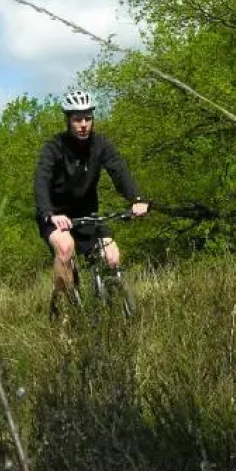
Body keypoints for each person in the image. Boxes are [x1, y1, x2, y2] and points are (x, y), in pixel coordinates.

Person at [34, 90, 149, 314]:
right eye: (77, 119)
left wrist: (136, 198)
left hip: (87, 214)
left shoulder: (101, 144)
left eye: (88, 118)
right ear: (68, 120)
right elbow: (41, 180)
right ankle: (66, 310)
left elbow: (119, 170)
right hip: (55, 215)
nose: (83, 124)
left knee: (113, 258)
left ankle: (112, 311)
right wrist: (48, 212)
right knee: (65, 248)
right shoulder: (54, 147)